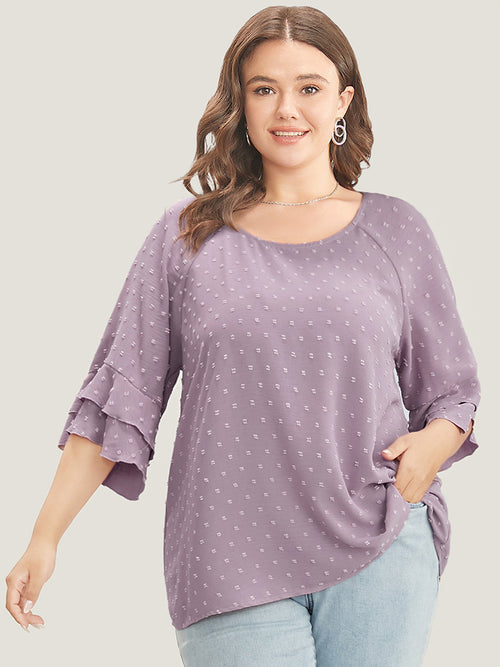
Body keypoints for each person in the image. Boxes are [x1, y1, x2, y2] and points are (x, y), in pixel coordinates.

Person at [6, 5, 480, 666]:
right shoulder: (187, 237)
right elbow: (120, 398)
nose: (287, 109)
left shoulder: (398, 231)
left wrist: (432, 445)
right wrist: (45, 536)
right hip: (228, 557)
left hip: (381, 543)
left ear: (342, 101)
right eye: (264, 89)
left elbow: (453, 392)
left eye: (309, 87)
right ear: (241, 104)